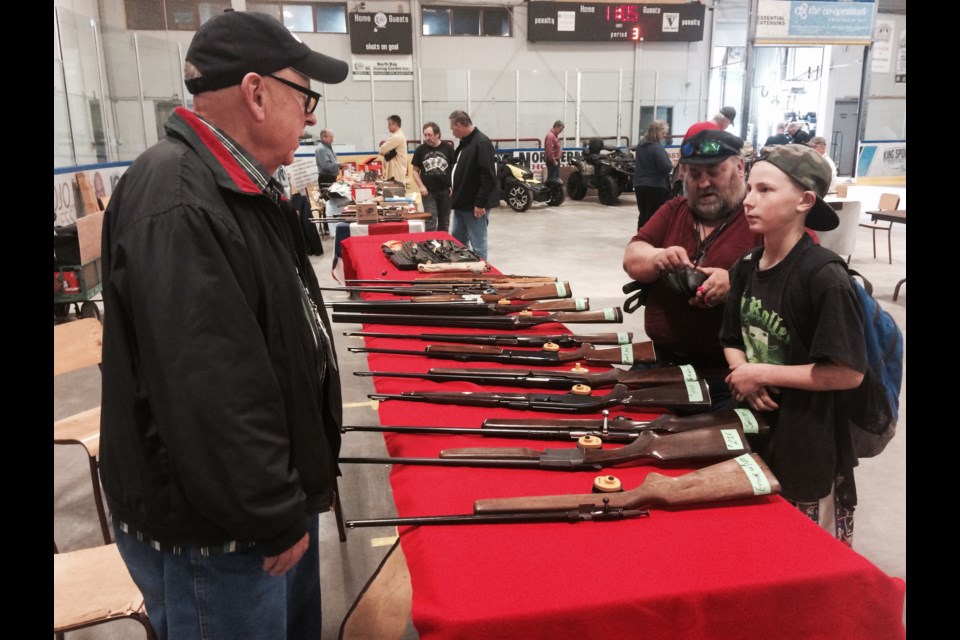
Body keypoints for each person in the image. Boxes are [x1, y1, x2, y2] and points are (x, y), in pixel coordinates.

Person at [98, 10, 347, 638]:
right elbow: (213, 390)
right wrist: (271, 511)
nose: (312, 114)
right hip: (219, 538)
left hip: (255, 511)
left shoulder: (237, 187)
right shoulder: (180, 202)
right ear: (256, 93)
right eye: (305, 95)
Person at [720, 144, 863, 545]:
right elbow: (731, 338)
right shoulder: (746, 267)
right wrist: (744, 373)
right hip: (753, 432)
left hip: (807, 444)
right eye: (749, 188)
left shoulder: (825, 279)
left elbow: (848, 372)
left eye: (765, 190)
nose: (748, 200)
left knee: (802, 549)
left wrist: (760, 372)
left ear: (804, 201)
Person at [622, 129, 762, 410]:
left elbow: (795, 286)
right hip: (661, 364)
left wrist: (734, 285)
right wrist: (659, 257)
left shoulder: (761, 217)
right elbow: (632, 257)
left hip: (729, 378)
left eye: (714, 172)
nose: (704, 182)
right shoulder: (675, 210)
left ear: (739, 167)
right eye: (694, 175)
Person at [449, 109, 499, 261]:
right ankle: (463, 268)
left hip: (474, 206)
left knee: (478, 244)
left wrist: (480, 203)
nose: (452, 133)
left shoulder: (481, 143)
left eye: (452, 129)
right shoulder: (465, 143)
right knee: (457, 242)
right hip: (461, 203)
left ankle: (481, 273)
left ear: (459, 125)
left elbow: (488, 175)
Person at [411, 121, 455, 233]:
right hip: (428, 192)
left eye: (429, 135)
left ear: (437, 134)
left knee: (444, 223)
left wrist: (452, 185)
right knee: (430, 222)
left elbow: (454, 169)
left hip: (445, 192)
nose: (426, 138)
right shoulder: (420, 150)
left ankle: (442, 247)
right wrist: (421, 187)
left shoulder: (448, 148)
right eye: (425, 135)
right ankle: (430, 247)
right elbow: (415, 171)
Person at [633, 119, 674, 229]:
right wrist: (671, 165)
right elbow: (665, 167)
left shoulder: (640, 146)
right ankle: (650, 240)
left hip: (639, 185)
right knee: (653, 216)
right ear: (657, 132)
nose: (665, 135)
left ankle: (640, 238)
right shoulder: (657, 148)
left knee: (643, 214)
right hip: (655, 185)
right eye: (663, 132)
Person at [379, 114, 408, 183]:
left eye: (389, 125)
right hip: (396, 173)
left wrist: (385, 151)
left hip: (396, 174)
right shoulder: (398, 135)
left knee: (395, 193)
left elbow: (381, 150)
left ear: (394, 124)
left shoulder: (397, 137)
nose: (387, 127)